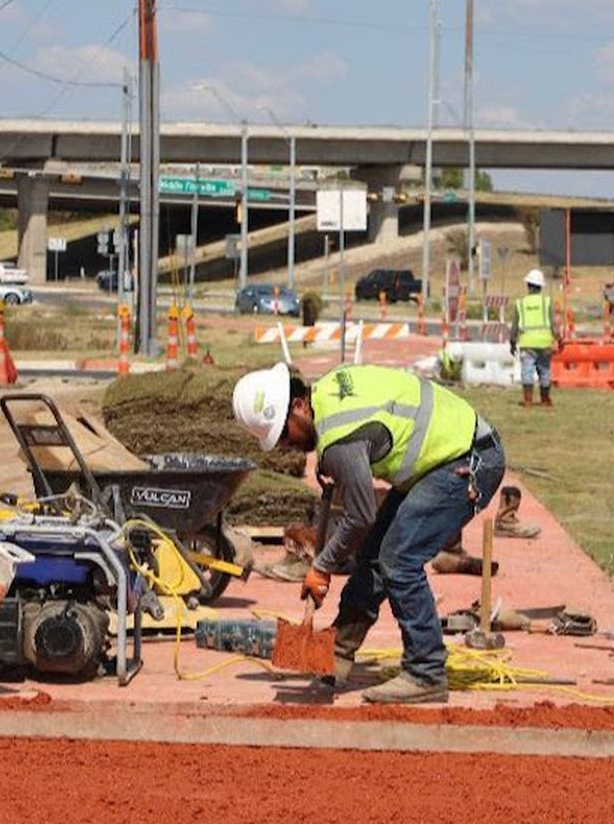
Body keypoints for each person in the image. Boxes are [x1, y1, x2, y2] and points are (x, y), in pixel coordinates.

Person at [232, 361, 505, 703]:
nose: (286, 444)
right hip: (447, 453)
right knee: (375, 554)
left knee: (399, 560)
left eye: (284, 434)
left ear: (299, 406)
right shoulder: (328, 392)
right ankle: (338, 654)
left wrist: (322, 566)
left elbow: (360, 516)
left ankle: (426, 672)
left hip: (467, 462)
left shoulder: (338, 443)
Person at [509, 268, 561, 408]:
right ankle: (545, 400)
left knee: (527, 370)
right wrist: (558, 338)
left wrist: (512, 343)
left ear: (528, 285)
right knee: (544, 371)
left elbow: (514, 326)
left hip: (527, 343)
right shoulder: (547, 302)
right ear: (541, 287)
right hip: (545, 343)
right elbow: (553, 323)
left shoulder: (520, 303)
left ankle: (528, 400)